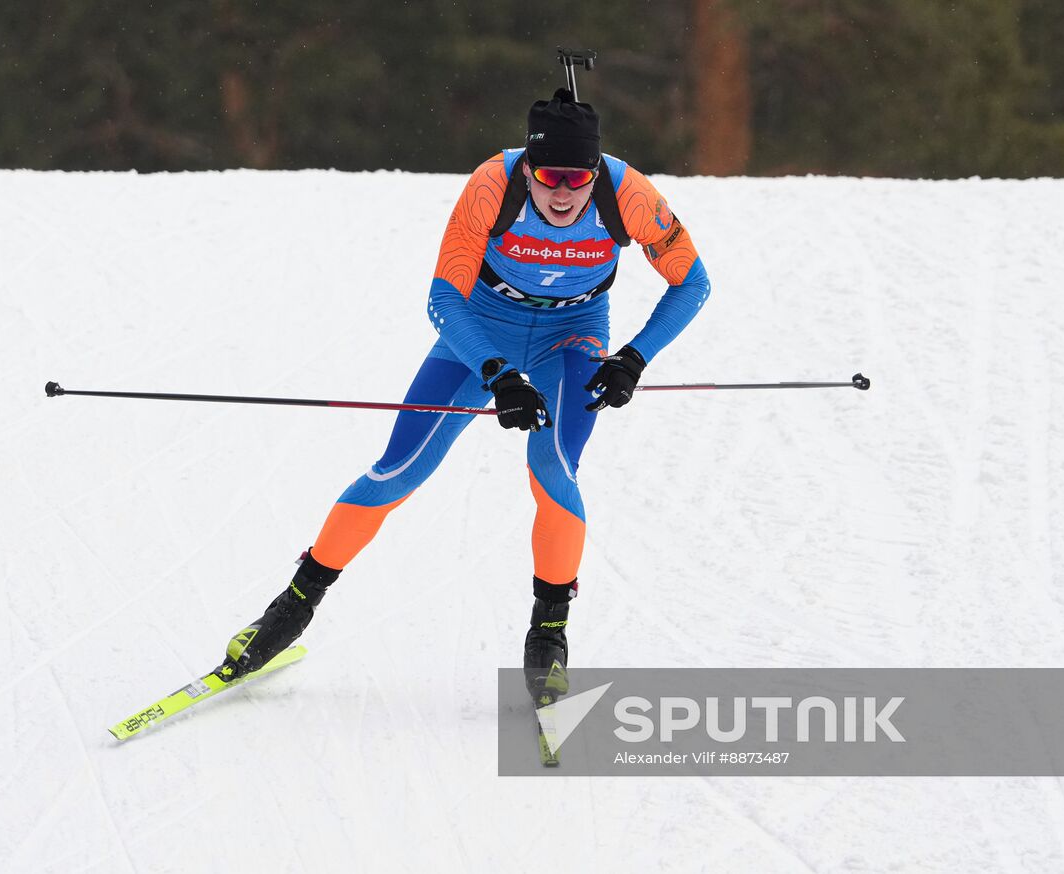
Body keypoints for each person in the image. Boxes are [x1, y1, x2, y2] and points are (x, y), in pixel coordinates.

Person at [214, 88, 711, 701]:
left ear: (595, 173)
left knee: (552, 468)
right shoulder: (489, 186)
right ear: (528, 168)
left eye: (577, 178)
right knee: (397, 469)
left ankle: (548, 639)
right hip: (479, 334)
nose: (562, 192)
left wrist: (634, 357)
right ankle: (291, 608)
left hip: (572, 338)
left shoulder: (629, 194)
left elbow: (693, 284)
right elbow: (443, 299)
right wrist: (498, 374)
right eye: (549, 176)